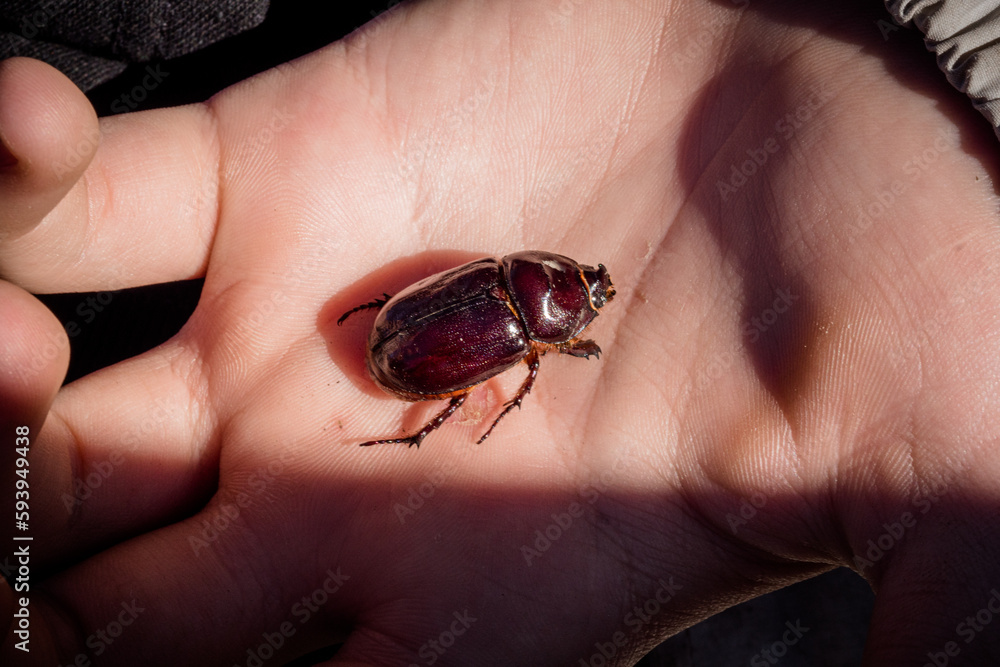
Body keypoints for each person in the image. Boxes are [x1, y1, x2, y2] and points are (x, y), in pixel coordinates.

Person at [2, 1, 1000, 665]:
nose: (587, 288)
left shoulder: (505, 284)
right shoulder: (527, 337)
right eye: (582, 291)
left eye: (582, 292)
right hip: (406, 343)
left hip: (406, 340)